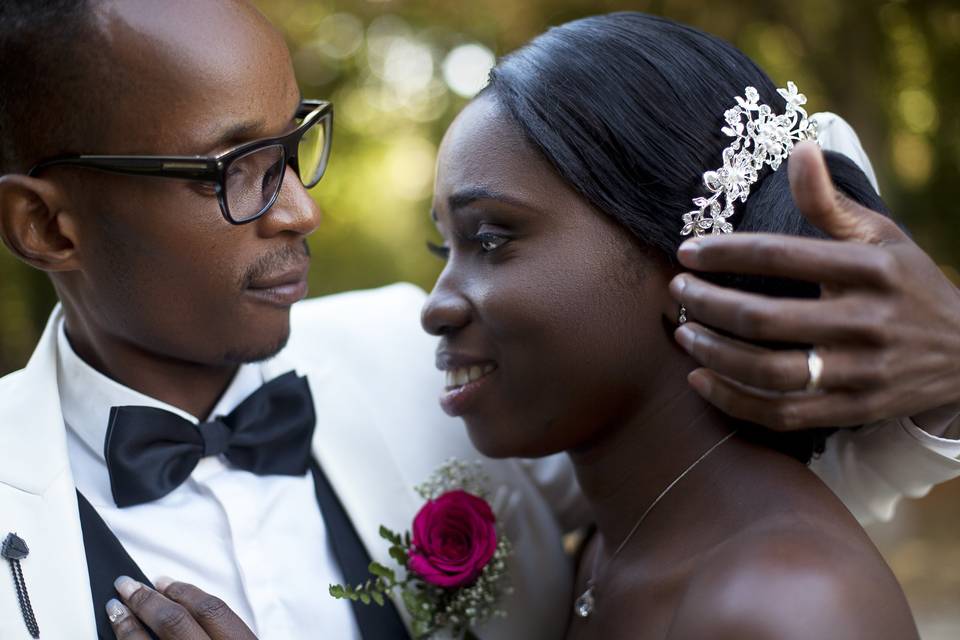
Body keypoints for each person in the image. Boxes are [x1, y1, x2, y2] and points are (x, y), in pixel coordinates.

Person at [0, 3, 956, 640]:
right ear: (46, 224)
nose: (300, 210)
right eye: (232, 169)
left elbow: (781, 456)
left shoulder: (429, 374)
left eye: (295, 148)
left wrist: (950, 369)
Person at [418, 12, 929, 639]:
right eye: (444, 251)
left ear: (684, 256)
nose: (435, 307)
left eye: (491, 239)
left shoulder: (786, 606)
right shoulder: (611, 548)